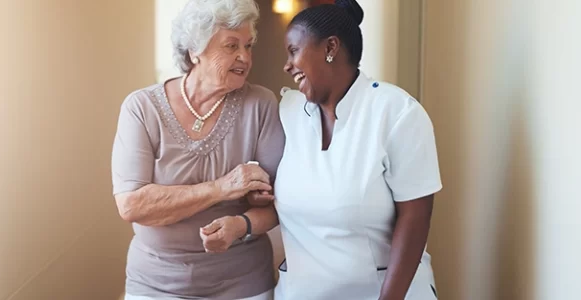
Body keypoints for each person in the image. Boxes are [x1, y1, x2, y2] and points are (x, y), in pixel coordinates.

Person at [110, 0, 285, 299]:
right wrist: (222, 188)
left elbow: (280, 203)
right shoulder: (142, 108)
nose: (245, 56)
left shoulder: (261, 104)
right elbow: (132, 205)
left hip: (242, 282)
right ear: (195, 51)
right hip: (155, 283)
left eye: (248, 45)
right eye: (231, 46)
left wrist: (241, 224)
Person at [272, 0, 442, 299]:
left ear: (330, 47)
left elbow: (415, 218)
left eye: (294, 51)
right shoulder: (289, 111)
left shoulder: (397, 113)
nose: (287, 65)